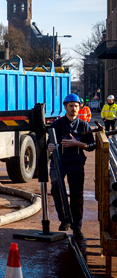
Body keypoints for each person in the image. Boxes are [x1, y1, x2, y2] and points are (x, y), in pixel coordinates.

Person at [48, 93, 95, 240]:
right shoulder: (57, 125)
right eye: (71, 106)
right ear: (65, 107)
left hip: (76, 163)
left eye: (76, 106)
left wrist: (77, 144)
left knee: (77, 195)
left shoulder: (83, 125)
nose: (74, 108)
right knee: (56, 190)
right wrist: (49, 146)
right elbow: (48, 142)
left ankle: (77, 227)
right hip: (59, 162)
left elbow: (92, 146)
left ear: (79, 107)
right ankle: (64, 220)